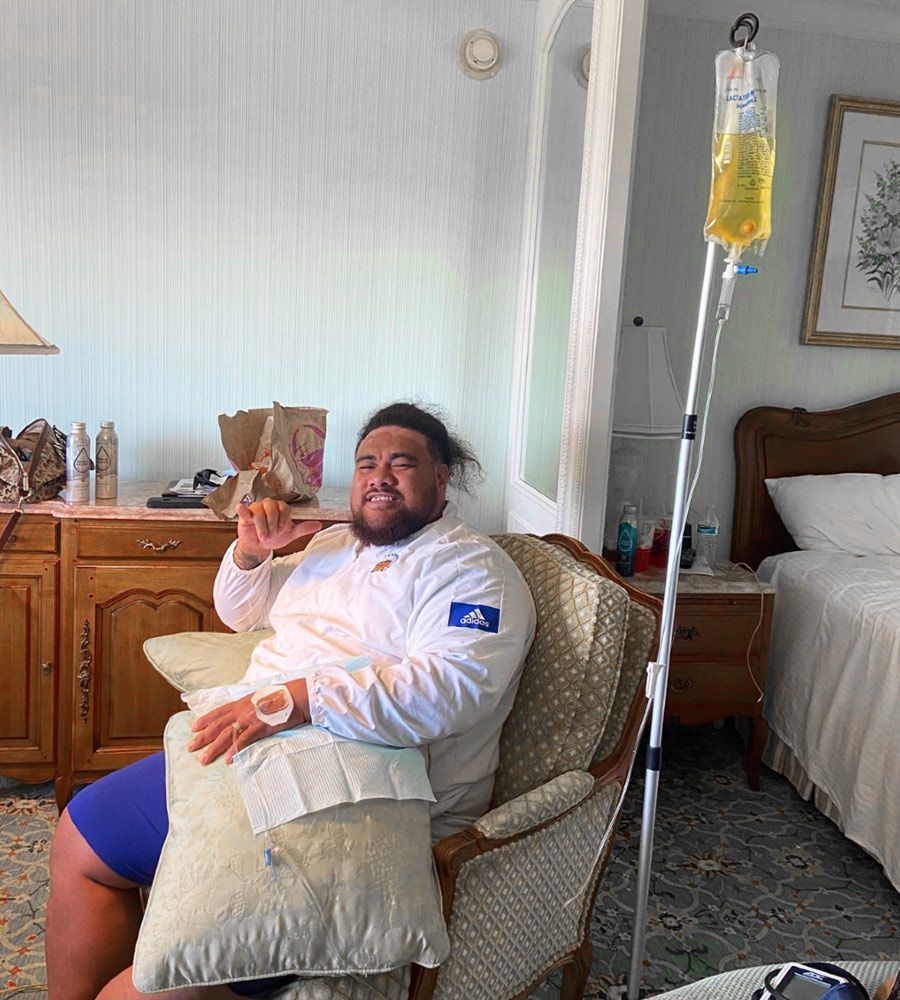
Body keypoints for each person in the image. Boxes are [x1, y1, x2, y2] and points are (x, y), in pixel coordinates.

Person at [46, 402, 536, 1000]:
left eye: (401, 464)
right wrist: (253, 554)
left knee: (138, 992)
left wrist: (294, 700)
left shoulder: (471, 572)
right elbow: (243, 612)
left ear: (443, 476)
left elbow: (447, 692)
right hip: (259, 748)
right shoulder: (334, 545)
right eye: (366, 464)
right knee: (79, 836)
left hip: (366, 792)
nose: (379, 476)